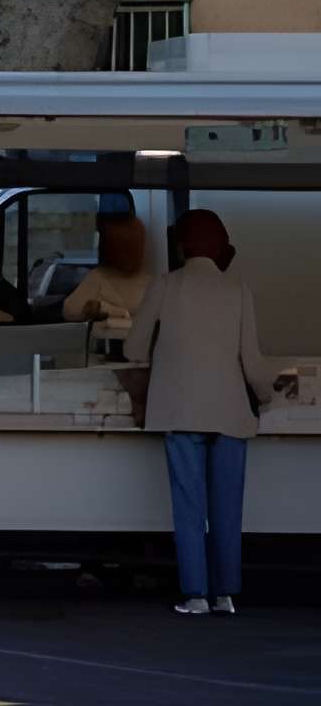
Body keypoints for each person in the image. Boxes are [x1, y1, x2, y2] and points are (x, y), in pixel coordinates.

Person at [125, 209, 274, 618]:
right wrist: (269, 394)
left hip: (179, 408)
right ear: (222, 248)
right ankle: (226, 593)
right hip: (229, 410)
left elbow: (133, 349)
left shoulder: (166, 285)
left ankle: (195, 595)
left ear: (182, 247)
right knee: (228, 506)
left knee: (189, 505)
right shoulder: (238, 289)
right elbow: (252, 359)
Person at [64, 214, 155, 341]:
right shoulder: (98, 278)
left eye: (135, 246)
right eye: (126, 247)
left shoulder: (150, 282)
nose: (133, 252)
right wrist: (98, 308)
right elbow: (70, 310)